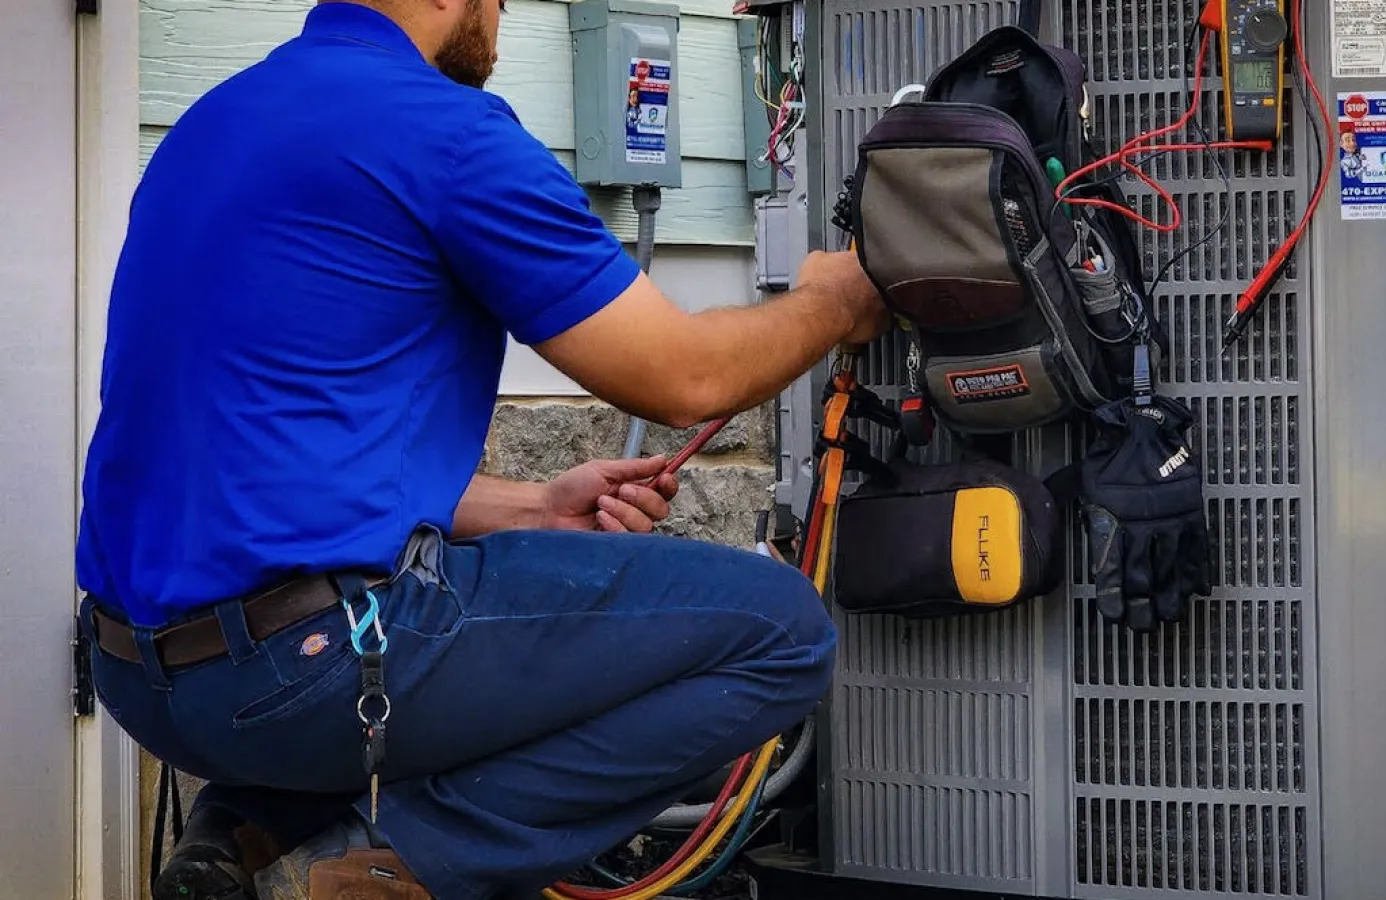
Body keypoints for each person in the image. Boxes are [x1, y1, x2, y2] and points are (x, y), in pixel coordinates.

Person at [74, 0, 890, 898]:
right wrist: (834, 302)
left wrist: (536, 506)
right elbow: (685, 378)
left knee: (418, 656)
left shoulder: (212, 124)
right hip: (302, 674)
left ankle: (239, 839)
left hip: (139, 680)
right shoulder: (444, 132)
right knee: (782, 633)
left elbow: (284, 456)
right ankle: (359, 874)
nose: (500, 16)